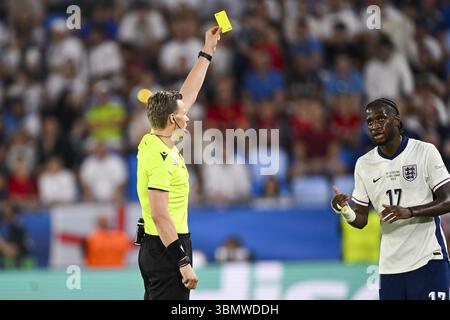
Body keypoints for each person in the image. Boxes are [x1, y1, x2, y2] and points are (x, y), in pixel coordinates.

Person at [331, 98, 450, 300]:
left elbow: (447, 199)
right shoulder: (364, 164)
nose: (375, 126)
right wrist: (344, 209)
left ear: (396, 120)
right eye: (369, 121)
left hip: (429, 259)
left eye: (381, 119)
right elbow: (361, 219)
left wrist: (410, 211)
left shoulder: (424, 151)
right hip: (391, 267)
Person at [136, 26, 221, 300]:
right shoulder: (160, 158)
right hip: (167, 248)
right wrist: (183, 262)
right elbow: (161, 216)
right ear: (173, 120)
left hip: (157, 246)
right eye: (183, 112)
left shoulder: (154, 140)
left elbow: (189, 93)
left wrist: (207, 51)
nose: (187, 113)